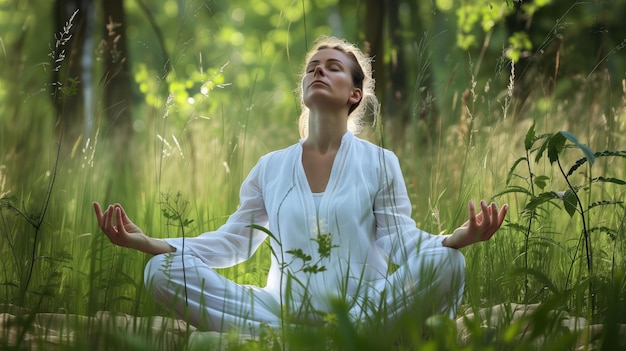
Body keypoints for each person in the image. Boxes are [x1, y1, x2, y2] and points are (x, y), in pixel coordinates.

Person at [93, 36, 508, 335]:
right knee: (161, 272)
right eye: (312, 67)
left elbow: (402, 242)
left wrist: (457, 238)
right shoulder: (271, 167)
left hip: (363, 311)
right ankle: (290, 338)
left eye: (332, 67)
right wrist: (152, 243)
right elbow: (233, 243)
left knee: (450, 264)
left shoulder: (380, 162)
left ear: (355, 94)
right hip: (280, 312)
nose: (318, 71)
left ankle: (344, 337)